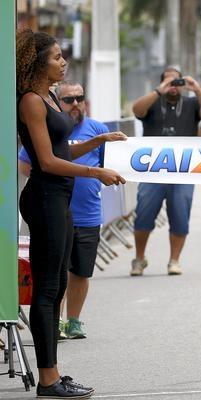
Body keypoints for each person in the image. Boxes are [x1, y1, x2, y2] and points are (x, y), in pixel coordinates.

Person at [16, 28, 125, 398]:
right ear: (38, 63)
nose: (63, 63)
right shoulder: (31, 100)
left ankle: (54, 373)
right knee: (47, 291)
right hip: (45, 197)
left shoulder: (49, 95)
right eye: (57, 58)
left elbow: (61, 151)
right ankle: (48, 380)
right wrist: (96, 171)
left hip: (59, 198)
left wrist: (97, 142)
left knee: (58, 285)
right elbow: (45, 162)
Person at [18, 81, 109, 340]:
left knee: (79, 272)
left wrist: (99, 144)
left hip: (86, 213)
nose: (76, 103)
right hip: (51, 206)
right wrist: (91, 171)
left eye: (80, 97)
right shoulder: (40, 114)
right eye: (69, 99)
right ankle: (53, 325)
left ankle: (73, 321)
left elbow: (104, 160)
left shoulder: (95, 128)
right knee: (53, 278)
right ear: (58, 103)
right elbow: (37, 163)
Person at [130, 66, 201, 276]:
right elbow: (137, 110)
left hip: (182, 171)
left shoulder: (192, 103)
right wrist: (159, 91)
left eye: (176, 82)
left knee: (180, 215)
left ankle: (174, 260)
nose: (172, 87)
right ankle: (139, 259)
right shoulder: (153, 102)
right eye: (168, 82)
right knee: (143, 215)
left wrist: (196, 88)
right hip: (152, 171)